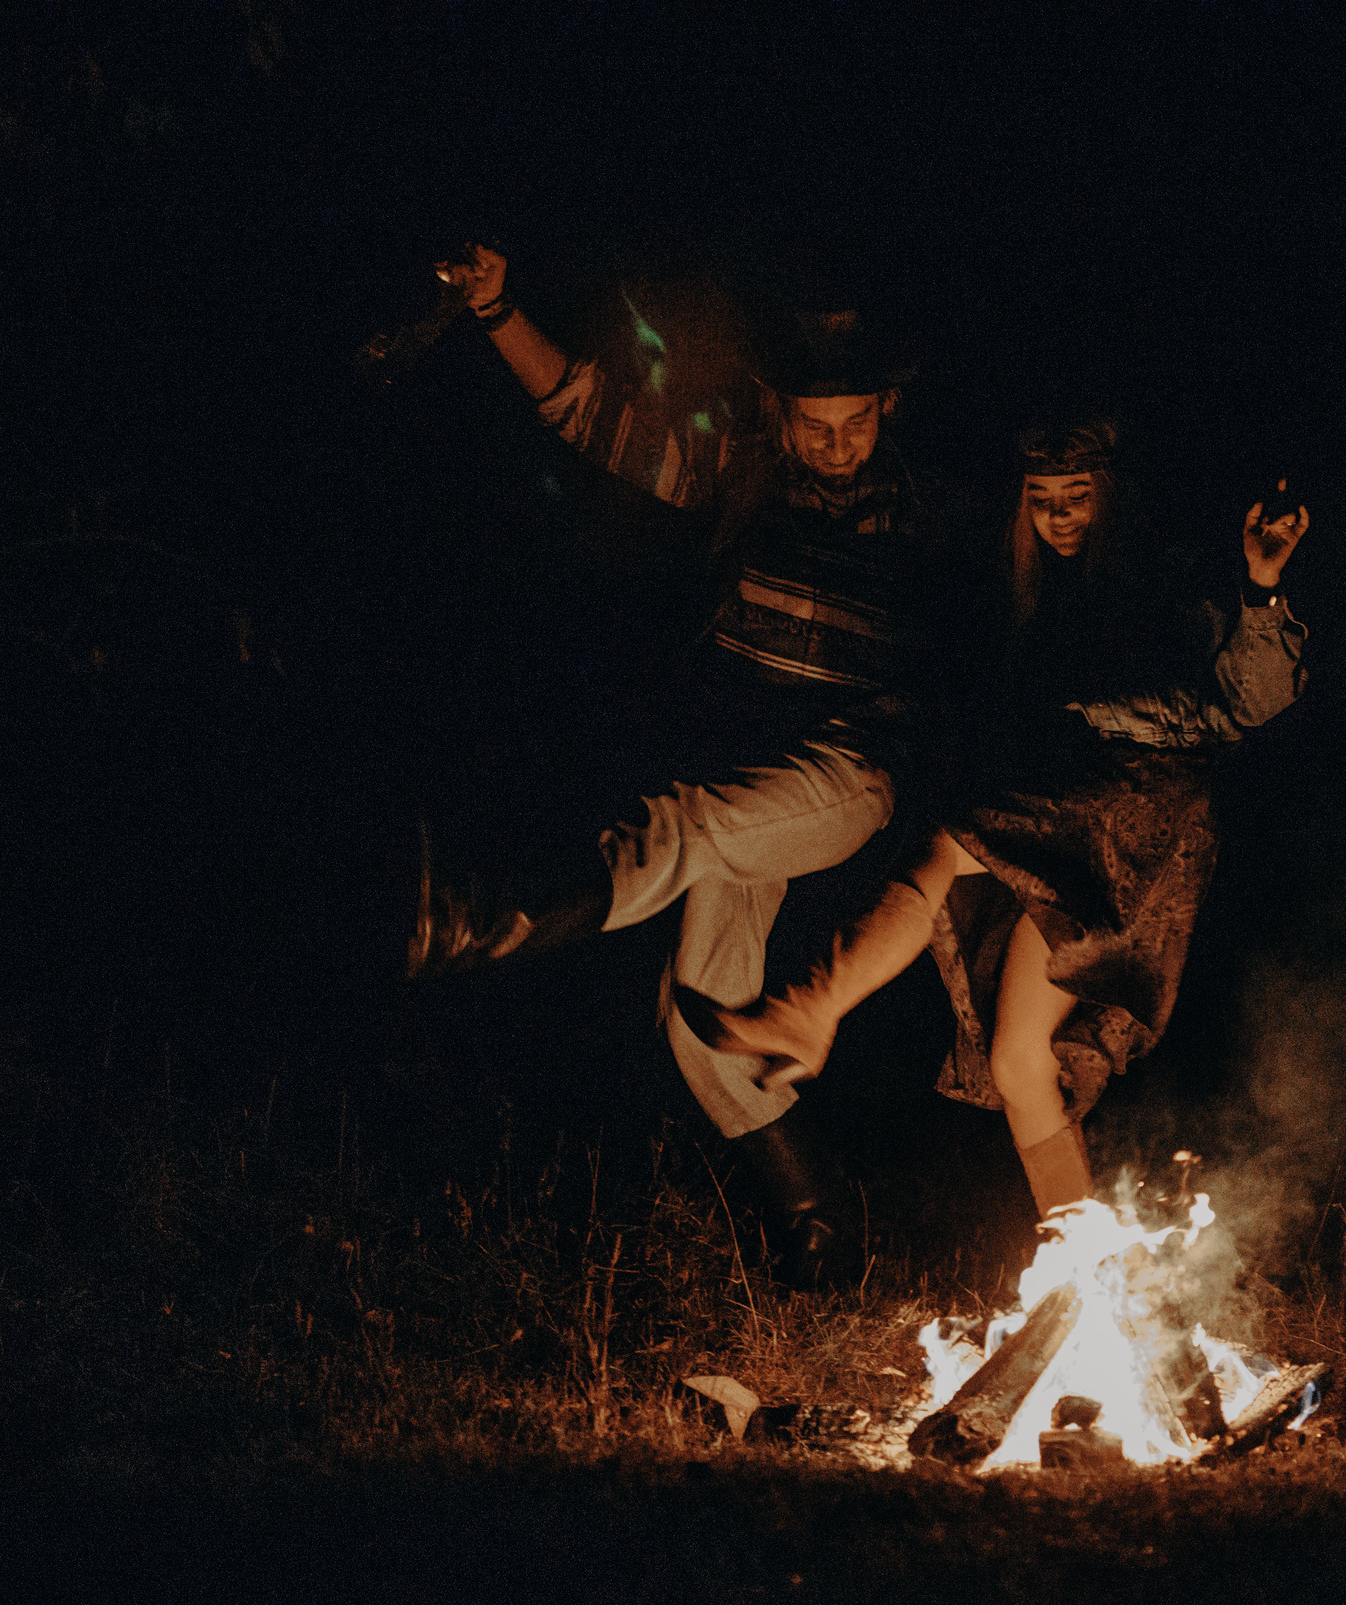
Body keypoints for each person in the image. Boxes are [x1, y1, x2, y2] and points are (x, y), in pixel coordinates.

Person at [408, 244, 959, 1284]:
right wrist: (495, 311)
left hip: (847, 767)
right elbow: (592, 416)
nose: (834, 447)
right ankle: (826, 1238)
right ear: (777, 408)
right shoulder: (745, 475)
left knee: (691, 824)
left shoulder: (934, 517)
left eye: (855, 425)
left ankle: (494, 917)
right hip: (745, 748)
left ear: (888, 409)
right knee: (700, 1012)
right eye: (812, 424)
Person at [699, 418, 1309, 1219]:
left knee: (951, 846)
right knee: (1019, 1058)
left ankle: (812, 1009)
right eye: (1042, 500)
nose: (1058, 517)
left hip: (1145, 805)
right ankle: (1078, 1271)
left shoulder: (1165, 580)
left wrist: (1261, 583)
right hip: (1070, 812)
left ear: (1109, 499)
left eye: (1077, 498)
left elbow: (1252, 703)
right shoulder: (1029, 599)